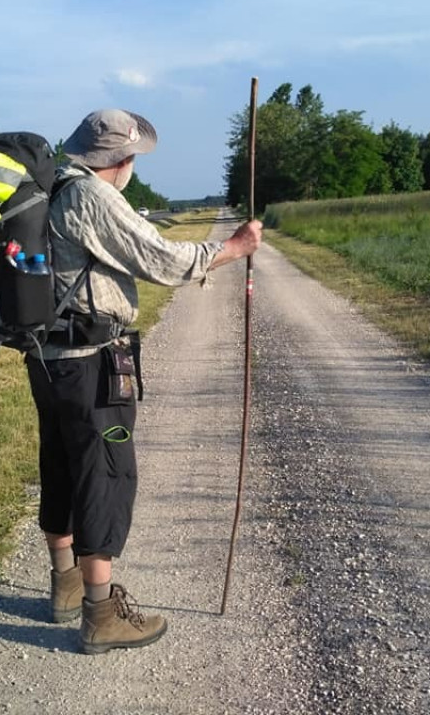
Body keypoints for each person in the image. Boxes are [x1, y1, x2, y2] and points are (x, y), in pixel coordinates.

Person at [26, 109, 262, 654]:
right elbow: (161, 258)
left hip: (48, 356)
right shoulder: (93, 197)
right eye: (133, 159)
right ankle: (100, 614)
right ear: (120, 159)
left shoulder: (56, 185)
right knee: (104, 474)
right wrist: (233, 249)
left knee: (61, 464)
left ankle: (64, 587)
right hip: (90, 361)